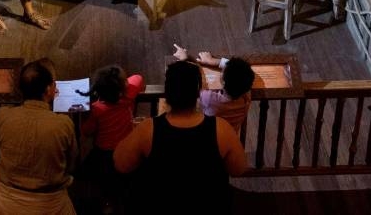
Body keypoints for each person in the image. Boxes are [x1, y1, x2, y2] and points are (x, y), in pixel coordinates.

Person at [113, 60, 247, 213]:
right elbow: (239, 169)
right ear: (197, 93)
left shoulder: (148, 129)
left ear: (167, 93)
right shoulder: (221, 128)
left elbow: (121, 164)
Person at [0, 58, 78, 215]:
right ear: (48, 89)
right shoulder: (63, 124)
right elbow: (71, 163)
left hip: (6, 203)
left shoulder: (2, 115)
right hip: (50, 205)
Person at [79, 65, 146, 211]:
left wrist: (85, 116)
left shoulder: (97, 109)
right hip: (125, 152)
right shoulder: (128, 97)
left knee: (86, 175)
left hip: (103, 156)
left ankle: (103, 204)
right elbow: (138, 78)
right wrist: (123, 87)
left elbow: (87, 131)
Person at [172, 44, 255, 133]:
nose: (222, 70)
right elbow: (243, 72)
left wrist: (185, 59)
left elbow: (189, 82)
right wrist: (213, 61)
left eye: (223, 71)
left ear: (223, 81)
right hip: (229, 136)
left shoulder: (209, 99)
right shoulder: (246, 98)